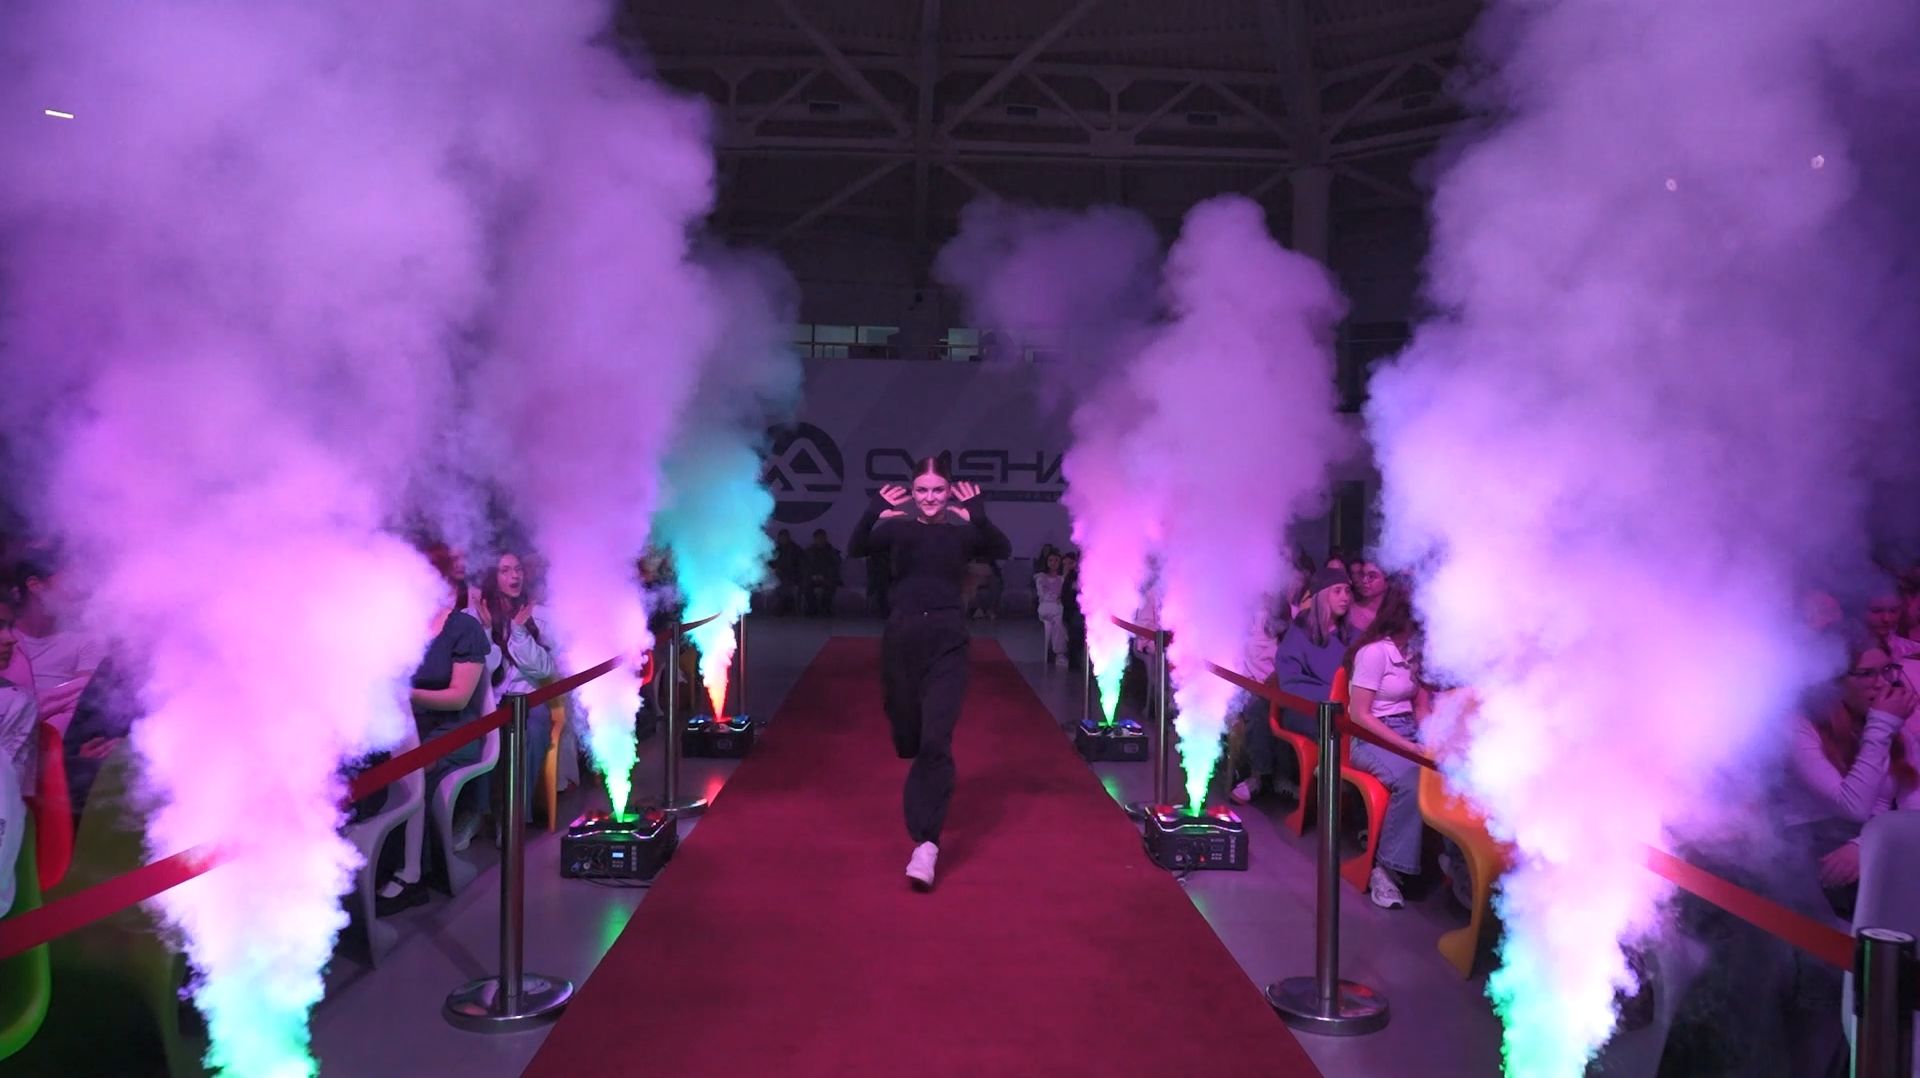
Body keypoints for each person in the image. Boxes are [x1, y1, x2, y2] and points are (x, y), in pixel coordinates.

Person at [848, 454, 1010, 890]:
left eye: (938, 490)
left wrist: (978, 515)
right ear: (912, 493)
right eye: (922, 490)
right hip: (901, 642)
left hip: (948, 641)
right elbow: (857, 547)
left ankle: (926, 843)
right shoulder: (897, 529)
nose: (930, 497)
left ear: (949, 491)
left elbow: (1002, 550)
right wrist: (872, 512)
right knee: (909, 736)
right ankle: (916, 756)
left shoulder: (962, 533)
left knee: (936, 741)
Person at [1783, 640, 1918, 917]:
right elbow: (1852, 807)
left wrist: (1865, 844)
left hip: (1868, 840)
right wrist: (1881, 725)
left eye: (1887, 670)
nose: (1881, 684)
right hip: (1809, 845)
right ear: (1834, 682)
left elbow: (1914, 807)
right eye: (1866, 674)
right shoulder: (1801, 727)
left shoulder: (1892, 726)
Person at [1234, 567, 1354, 803]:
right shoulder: (1299, 633)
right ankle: (1317, 795)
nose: (1345, 597)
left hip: (1344, 711)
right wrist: (1332, 697)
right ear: (1321, 595)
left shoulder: (1353, 636)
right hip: (1306, 709)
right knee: (1260, 707)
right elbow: (1290, 681)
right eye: (1337, 591)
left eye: (1347, 591)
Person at [1343, 584, 1428, 909]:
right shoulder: (1374, 653)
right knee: (1413, 781)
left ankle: (1454, 863)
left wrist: (1432, 738)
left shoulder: (1413, 652)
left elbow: (1421, 706)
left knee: (1451, 774)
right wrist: (1407, 747)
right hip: (1372, 737)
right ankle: (1386, 869)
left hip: (1406, 731)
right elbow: (1359, 715)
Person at [479, 549, 557, 822]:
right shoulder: (478, 613)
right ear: (493, 576)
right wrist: (487, 630)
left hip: (527, 698)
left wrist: (520, 632)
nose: (515, 576)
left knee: (534, 729)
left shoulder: (539, 614)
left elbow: (545, 669)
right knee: (480, 735)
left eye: (518, 569)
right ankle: (480, 814)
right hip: (490, 700)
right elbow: (484, 670)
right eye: (505, 570)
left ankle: (514, 817)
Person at [1034, 552, 1068, 666]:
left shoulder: (1062, 579)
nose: (1053, 563)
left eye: (1056, 560)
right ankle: (1060, 654)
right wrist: (1056, 597)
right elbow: (1042, 595)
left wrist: (1060, 598)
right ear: (1047, 562)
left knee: (1058, 620)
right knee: (1058, 616)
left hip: (1058, 606)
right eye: (1051, 560)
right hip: (1046, 606)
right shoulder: (1040, 577)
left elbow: (1063, 595)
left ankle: (1059, 653)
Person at [802, 529, 842, 617]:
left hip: (828, 577)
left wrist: (824, 576)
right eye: (818, 538)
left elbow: (836, 566)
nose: (821, 540)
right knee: (806, 586)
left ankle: (826, 608)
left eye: (822, 538)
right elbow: (804, 566)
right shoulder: (808, 552)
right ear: (814, 539)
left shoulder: (832, 552)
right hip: (812, 577)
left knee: (830, 586)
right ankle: (812, 608)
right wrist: (813, 576)